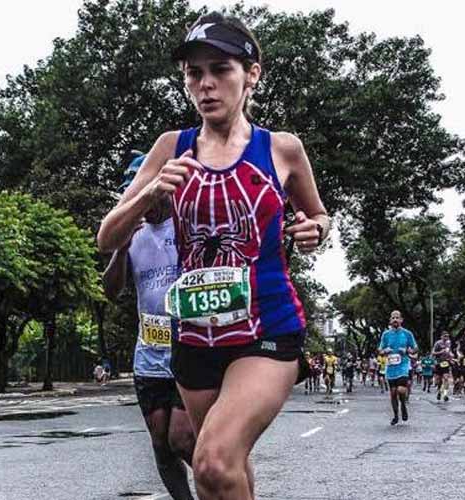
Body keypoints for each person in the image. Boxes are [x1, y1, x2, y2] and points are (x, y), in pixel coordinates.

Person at [96, 12, 329, 498]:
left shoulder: (282, 149)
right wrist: (149, 193)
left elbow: (319, 216)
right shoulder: (170, 148)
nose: (206, 84)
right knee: (224, 471)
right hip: (195, 337)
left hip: (267, 328)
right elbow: (107, 237)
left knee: (213, 460)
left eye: (220, 70)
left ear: (251, 75)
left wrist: (314, 229)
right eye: (193, 74)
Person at [102, 154, 196, 500]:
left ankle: (226, 484)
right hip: (150, 357)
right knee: (161, 445)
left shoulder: (187, 226)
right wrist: (121, 250)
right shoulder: (131, 233)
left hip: (191, 348)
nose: (146, 205)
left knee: (182, 439)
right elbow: (110, 291)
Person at [378, 311, 418, 425]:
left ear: (401, 320)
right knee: (393, 392)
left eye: (397, 318)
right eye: (393, 318)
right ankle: (396, 415)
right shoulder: (386, 334)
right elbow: (380, 350)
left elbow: (415, 348)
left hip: (403, 365)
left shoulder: (407, 333)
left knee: (401, 389)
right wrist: (385, 351)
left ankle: (403, 406)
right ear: (390, 320)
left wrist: (407, 350)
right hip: (391, 366)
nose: (395, 320)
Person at [432, 331, 454, 402]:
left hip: (446, 363)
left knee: (446, 378)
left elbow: (449, 352)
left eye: (447, 336)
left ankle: (445, 394)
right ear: (441, 336)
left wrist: (451, 356)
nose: (446, 338)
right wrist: (440, 352)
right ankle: (439, 391)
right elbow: (433, 352)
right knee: (439, 381)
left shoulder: (449, 343)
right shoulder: (438, 343)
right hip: (438, 363)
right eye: (445, 336)